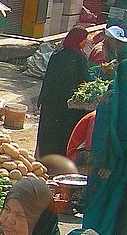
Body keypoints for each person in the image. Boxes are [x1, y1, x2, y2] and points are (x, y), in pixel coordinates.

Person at [82, 58, 127, 235]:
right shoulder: (111, 99)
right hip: (108, 157)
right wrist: (107, 162)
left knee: (115, 198)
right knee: (101, 198)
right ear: (124, 75)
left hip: (125, 158)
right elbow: (103, 133)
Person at [35, 26, 91, 159]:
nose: (86, 42)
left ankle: (44, 160)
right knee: (61, 135)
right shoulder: (77, 57)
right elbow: (84, 80)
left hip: (50, 102)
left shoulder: (58, 53)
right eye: (84, 40)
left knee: (49, 134)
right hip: (66, 106)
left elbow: (48, 78)